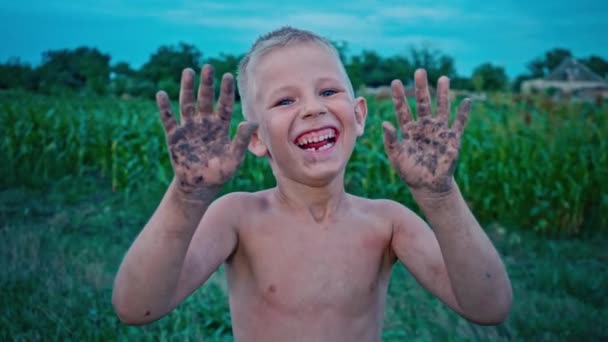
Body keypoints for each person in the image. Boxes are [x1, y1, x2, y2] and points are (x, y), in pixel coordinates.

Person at [112, 26, 512, 341]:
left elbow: (488, 306)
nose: (313, 107)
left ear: (358, 116)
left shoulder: (387, 223)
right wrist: (187, 194)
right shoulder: (238, 217)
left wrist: (438, 194)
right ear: (255, 138)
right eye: (285, 101)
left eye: (328, 90)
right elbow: (137, 307)